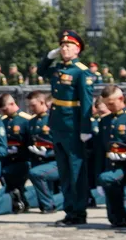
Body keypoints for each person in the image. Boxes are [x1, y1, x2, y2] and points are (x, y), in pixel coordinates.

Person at [37, 30, 95, 226]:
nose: (64, 49)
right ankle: (69, 209)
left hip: (73, 125)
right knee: (64, 171)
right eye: (62, 46)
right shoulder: (59, 68)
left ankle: (79, 212)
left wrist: (86, 128)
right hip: (58, 124)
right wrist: (48, 57)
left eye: (68, 46)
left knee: (76, 170)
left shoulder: (81, 71)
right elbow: (40, 71)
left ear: (77, 49)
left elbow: (86, 102)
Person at [95, 85, 126, 227]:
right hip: (111, 165)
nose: (109, 107)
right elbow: (100, 150)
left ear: (121, 99)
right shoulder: (104, 121)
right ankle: (117, 218)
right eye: (106, 104)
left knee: (108, 179)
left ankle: (120, 216)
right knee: (107, 179)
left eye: (111, 103)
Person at [0, 93, 32, 212]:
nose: (4, 112)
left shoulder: (25, 120)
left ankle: (21, 201)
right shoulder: (2, 121)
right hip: (7, 159)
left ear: (12, 104)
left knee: (16, 182)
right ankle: (18, 202)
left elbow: (30, 141)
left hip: (22, 159)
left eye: (5, 109)